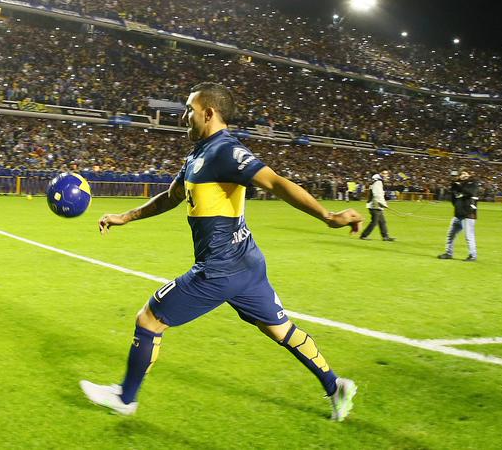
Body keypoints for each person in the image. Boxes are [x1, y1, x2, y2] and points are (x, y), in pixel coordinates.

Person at [80, 83, 362, 421]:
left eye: (189, 110)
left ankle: (126, 398)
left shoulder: (226, 151)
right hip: (246, 264)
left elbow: (274, 182)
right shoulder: (198, 154)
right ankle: (336, 386)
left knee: (149, 318)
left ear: (209, 113)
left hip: (220, 269)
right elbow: (171, 196)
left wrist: (329, 217)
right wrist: (126, 216)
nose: (184, 116)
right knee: (281, 331)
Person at [438, 170, 478, 262]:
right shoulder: (457, 185)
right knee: (450, 235)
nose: (463, 175)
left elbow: (471, 192)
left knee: (469, 236)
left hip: (468, 215)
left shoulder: (473, 184)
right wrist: (454, 185)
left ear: (469, 175)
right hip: (458, 215)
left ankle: (473, 255)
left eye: (465, 173)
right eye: (462, 174)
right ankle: (449, 253)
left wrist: (459, 185)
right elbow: (453, 199)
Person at [361, 170, 395, 241]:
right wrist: (384, 204)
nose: (386, 175)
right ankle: (364, 235)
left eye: (386, 173)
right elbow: (377, 195)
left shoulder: (377, 181)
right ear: (380, 174)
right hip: (374, 205)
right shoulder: (378, 182)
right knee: (374, 222)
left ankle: (385, 237)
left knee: (382, 221)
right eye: (384, 173)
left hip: (376, 205)